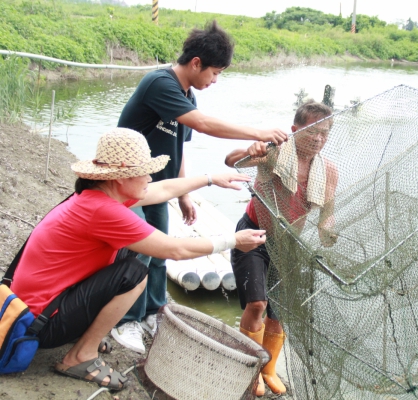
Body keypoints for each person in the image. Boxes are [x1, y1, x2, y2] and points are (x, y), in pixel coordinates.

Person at [9, 128, 265, 391]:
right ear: (121, 175)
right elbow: (175, 250)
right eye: (145, 170)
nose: (150, 176)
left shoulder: (98, 195)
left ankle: (86, 337)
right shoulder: (104, 211)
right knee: (133, 273)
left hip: (35, 311)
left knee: (127, 255)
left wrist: (211, 178)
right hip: (37, 325)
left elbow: (163, 188)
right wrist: (234, 241)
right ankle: (79, 356)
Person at [115, 20, 288, 353]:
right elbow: (204, 124)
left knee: (159, 256)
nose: (215, 80)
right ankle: (125, 322)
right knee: (137, 256)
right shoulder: (160, 83)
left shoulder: (186, 93)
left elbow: (179, 146)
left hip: (158, 188)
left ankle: (151, 311)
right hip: (126, 185)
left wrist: (185, 194)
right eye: (215, 72)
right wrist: (258, 132)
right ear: (196, 63)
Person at [224, 101, 338, 396]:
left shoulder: (328, 171)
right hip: (255, 234)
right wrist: (250, 150)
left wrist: (328, 229)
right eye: (312, 131)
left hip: (288, 246)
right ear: (295, 129)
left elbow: (327, 213)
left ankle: (268, 369)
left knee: (280, 312)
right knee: (258, 304)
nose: (318, 139)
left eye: (325, 133)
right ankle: (247, 367)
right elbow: (230, 161)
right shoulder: (274, 152)